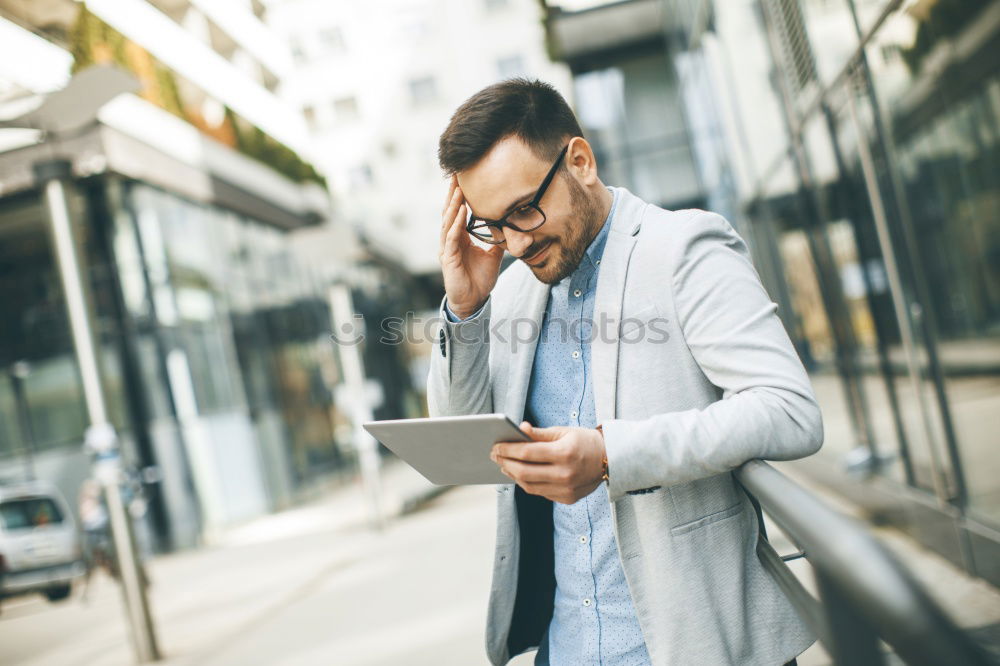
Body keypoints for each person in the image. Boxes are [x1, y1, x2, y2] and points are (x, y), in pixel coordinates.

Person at [427, 79, 823, 666]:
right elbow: (461, 441)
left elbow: (788, 410)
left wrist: (612, 453)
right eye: (492, 224)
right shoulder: (508, 294)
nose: (513, 242)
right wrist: (465, 308)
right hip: (565, 651)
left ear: (580, 162)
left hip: (703, 647)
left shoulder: (684, 247)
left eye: (523, 210)